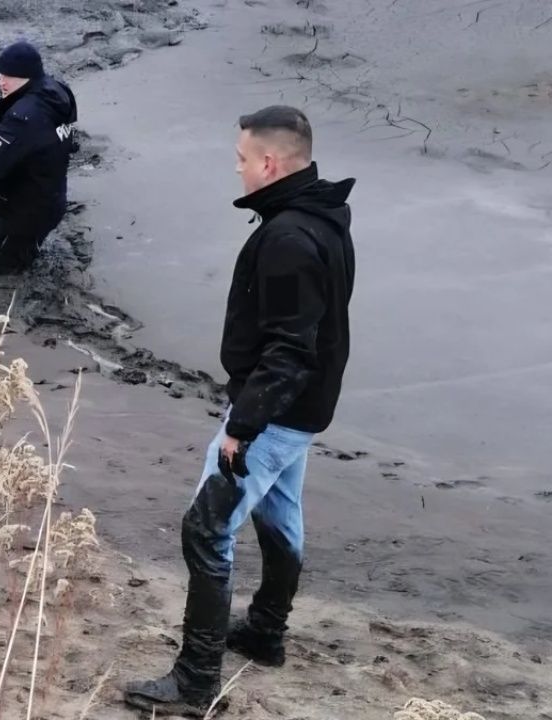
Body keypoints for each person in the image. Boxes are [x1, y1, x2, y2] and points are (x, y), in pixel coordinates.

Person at [124, 106, 355, 716]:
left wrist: (243, 427)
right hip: (304, 408)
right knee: (279, 513)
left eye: (242, 158)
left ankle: (196, 682)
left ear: (270, 163)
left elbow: (289, 348)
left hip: (276, 412)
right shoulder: (322, 218)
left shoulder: (286, 239)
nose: (237, 167)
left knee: (206, 529)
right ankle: (264, 633)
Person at [0, 40, 78, 273]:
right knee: (15, 249)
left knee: (0, 269)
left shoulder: (23, 117)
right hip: (50, 198)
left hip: (24, 212)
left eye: (6, 77)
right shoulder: (57, 91)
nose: (0, 82)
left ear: (24, 76)